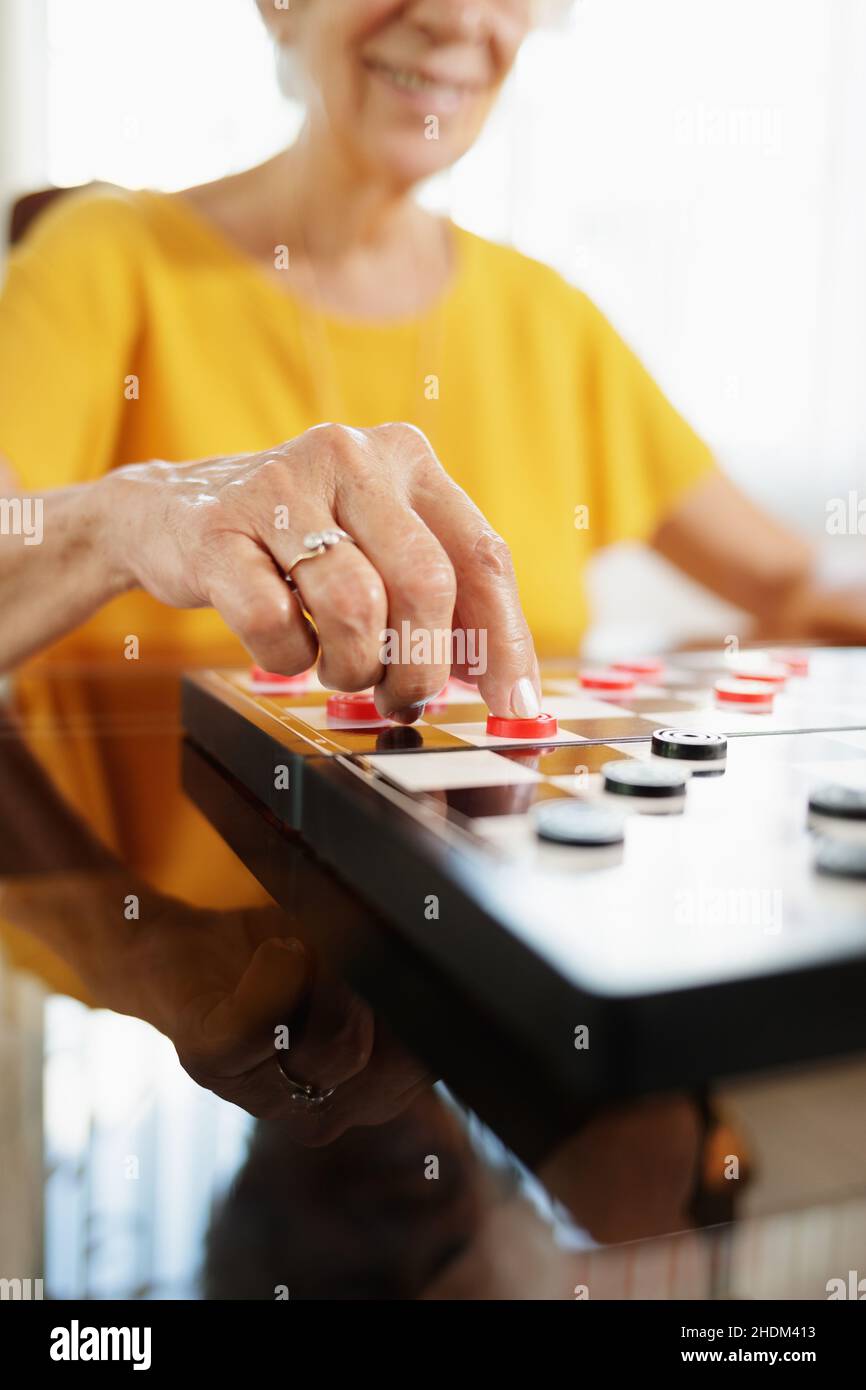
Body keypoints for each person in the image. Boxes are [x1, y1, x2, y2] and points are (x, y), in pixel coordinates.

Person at [1, 0, 864, 1107]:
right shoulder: (104, 257)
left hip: (508, 1010)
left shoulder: (551, 320)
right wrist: (136, 514)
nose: (459, 16)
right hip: (160, 1006)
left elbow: (791, 587)